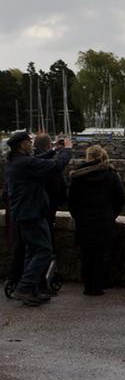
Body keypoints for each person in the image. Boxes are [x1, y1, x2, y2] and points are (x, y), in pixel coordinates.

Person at [5, 131, 71, 306]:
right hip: (32, 213)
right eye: (29, 141)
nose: (31, 143)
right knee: (44, 250)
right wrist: (67, 151)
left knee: (31, 252)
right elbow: (55, 167)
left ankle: (31, 290)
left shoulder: (16, 162)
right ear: (22, 145)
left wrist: (55, 150)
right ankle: (25, 288)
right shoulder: (24, 163)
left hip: (25, 213)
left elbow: (39, 160)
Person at [66, 145, 125, 297]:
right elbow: (120, 198)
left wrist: (78, 215)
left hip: (84, 220)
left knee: (86, 253)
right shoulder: (110, 174)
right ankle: (98, 287)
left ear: (88, 157)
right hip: (104, 219)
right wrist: (112, 214)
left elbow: (71, 200)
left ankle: (87, 286)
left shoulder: (78, 175)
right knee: (101, 254)